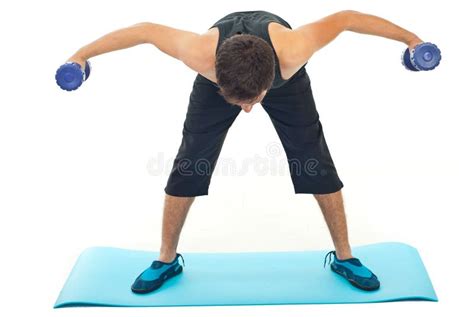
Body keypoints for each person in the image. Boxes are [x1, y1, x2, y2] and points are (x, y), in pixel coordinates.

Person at [66, 10, 423, 294]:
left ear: (268, 84)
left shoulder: (294, 51)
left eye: (253, 103)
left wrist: (412, 41)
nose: (248, 112)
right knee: (190, 162)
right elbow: (143, 30)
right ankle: (166, 260)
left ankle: (345, 257)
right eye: (240, 104)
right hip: (225, 68)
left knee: (313, 158)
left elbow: (347, 19)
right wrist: (80, 57)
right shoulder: (198, 54)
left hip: (277, 68)